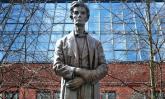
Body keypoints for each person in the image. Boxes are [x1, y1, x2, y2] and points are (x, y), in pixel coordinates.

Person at [53, 1, 108, 99]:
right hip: (70, 88)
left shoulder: (96, 43)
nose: (79, 15)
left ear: (87, 18)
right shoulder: (61, 42)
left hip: (90, 89)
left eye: (83, 13)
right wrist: (77, 71)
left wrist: (84, 78)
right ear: (71, 17)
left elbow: (104, 67)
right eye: (76, 12)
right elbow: (57, 66)